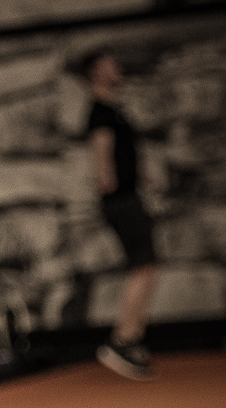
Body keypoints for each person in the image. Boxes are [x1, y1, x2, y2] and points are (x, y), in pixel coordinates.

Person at [82, 51, 161, 380]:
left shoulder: (114, 111)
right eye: (111, 64)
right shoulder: (101, 113)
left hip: (127, 196)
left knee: (147, 265)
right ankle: (122, 341)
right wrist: (109, 181)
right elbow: (102, 149)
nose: (118, 68)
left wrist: (137, 178)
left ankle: (129, 339)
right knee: (144, 265)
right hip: (121, 200)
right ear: (96, 73)